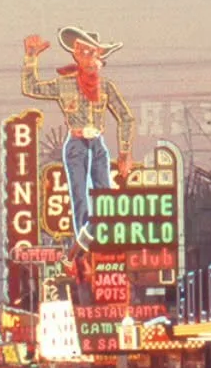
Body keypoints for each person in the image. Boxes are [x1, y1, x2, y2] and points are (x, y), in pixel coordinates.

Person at [21, 27, 137, 249]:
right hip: (76, 143)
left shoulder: (105, 86)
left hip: (97, 143)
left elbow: (126, 117)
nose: (87, 58)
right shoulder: (65, 83)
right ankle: (85, 244)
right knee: (79, 194)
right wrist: (31, 57)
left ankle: (96, 239)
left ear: (99, 56)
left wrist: (125, 152)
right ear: (75, 54)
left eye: (91, 53)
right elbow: (31, 87)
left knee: (105, 196)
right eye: (82, 52)